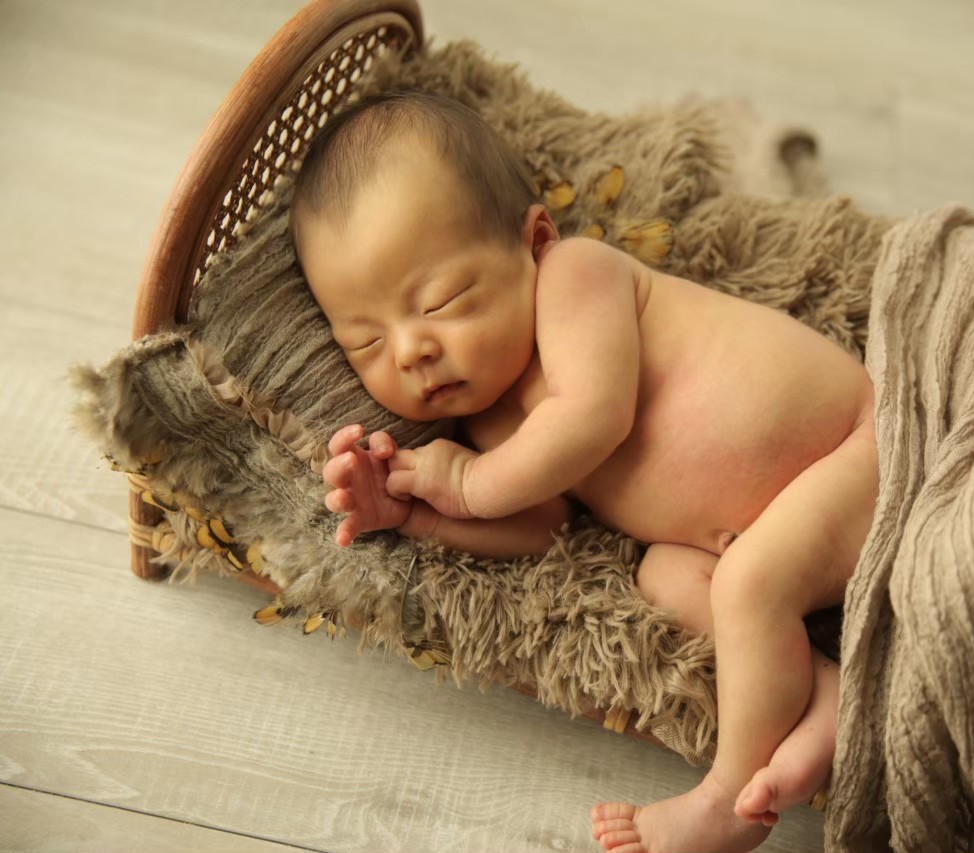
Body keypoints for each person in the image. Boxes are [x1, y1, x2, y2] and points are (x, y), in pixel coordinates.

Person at [289, 90, 878, 853]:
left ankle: (728, 801)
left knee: (748, 585)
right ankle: (820, 693)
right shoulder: (493, 428)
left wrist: (466, 482)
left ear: (533, 240)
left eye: (443, 300)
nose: (410, 350)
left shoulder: (577, 278)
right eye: (365, 342)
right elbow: (540, 528)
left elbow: (597, 415)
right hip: (765, 531)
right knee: (665, 578)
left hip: (854, 452)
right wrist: (415, 513)